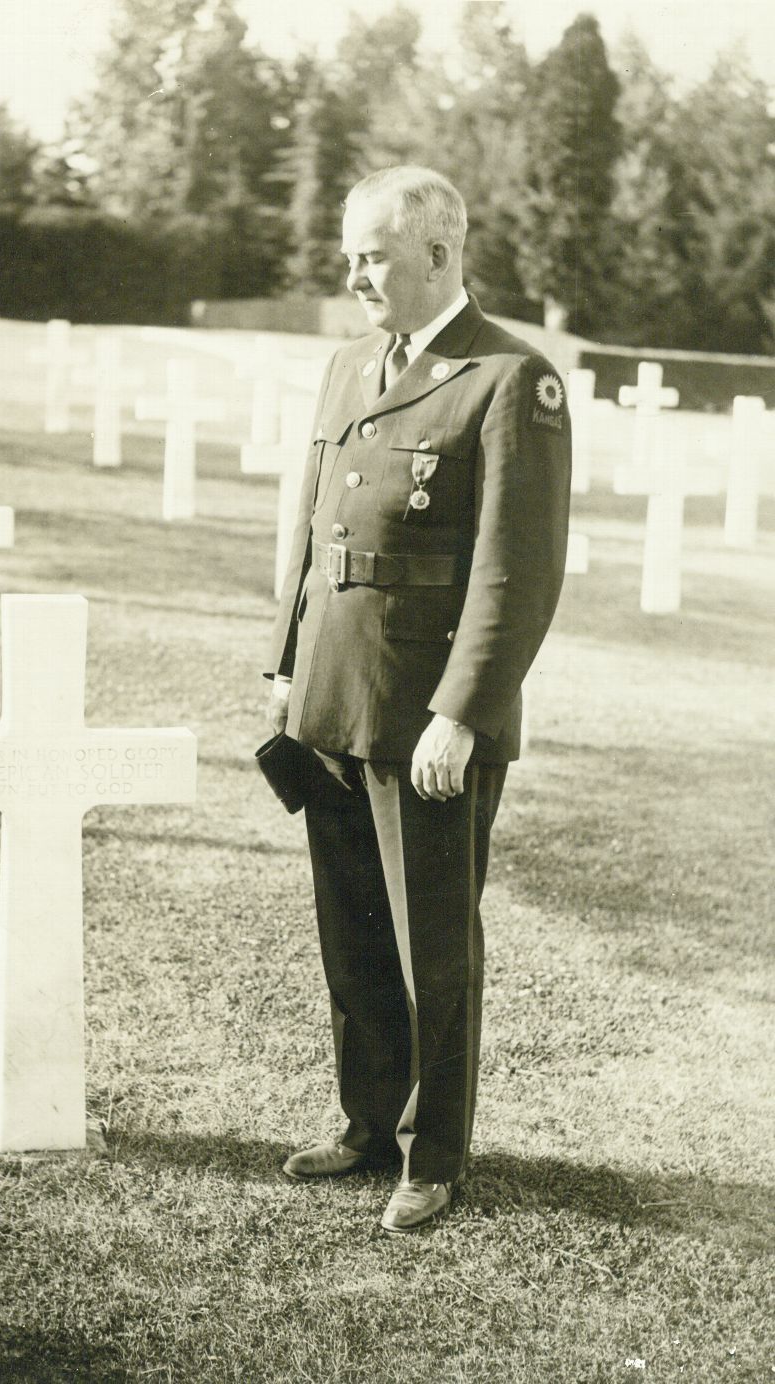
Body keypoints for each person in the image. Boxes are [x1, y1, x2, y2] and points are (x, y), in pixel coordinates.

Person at [265, 165, 571, 1233]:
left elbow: (514, 569)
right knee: (350, 931)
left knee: (430, 942)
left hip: (427, 716)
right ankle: (363, 1122)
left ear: (438, 254)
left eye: (372, 254)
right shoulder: (351, 363)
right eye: (348, 252)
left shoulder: (507, 378)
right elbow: (308, 524)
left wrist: (463, 711)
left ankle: (430, 1153)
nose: (353, 274)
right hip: (333, 696)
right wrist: (284, 664)